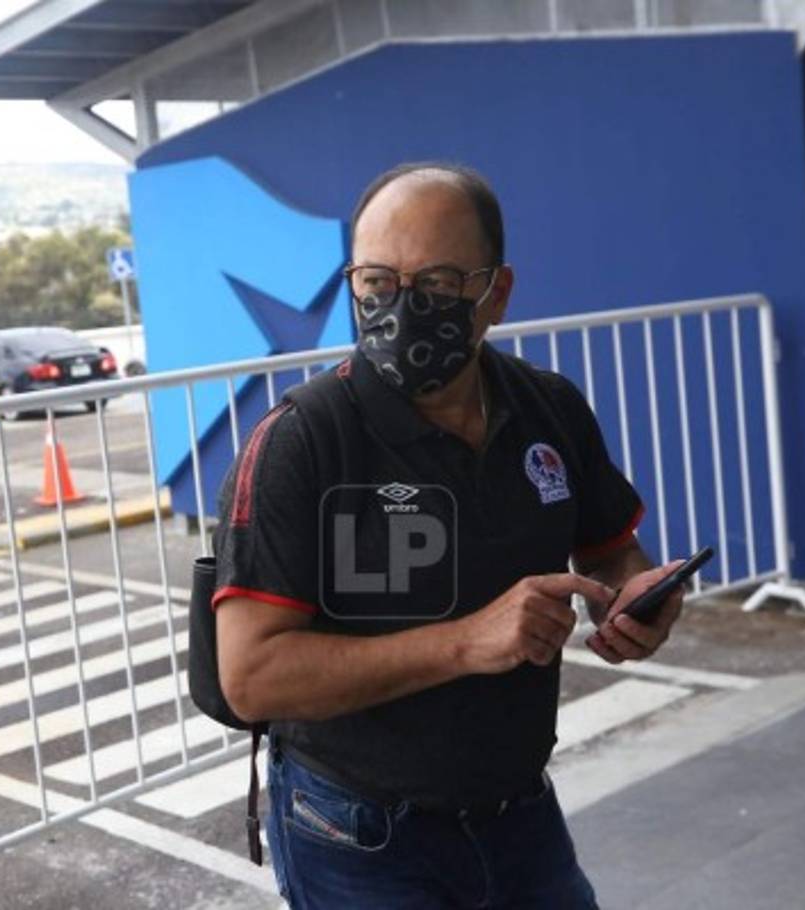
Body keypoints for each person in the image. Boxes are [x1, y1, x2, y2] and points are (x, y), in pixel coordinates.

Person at [212, 162, 686, 909]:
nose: (400, 308)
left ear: (495, 293)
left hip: (520, 814)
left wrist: (634, 594)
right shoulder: (301, 442)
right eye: (376, 283)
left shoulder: (548, 409)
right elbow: (250, 679)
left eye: (435, 284)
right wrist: (468, 642)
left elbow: (608, 547)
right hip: (356, 832)